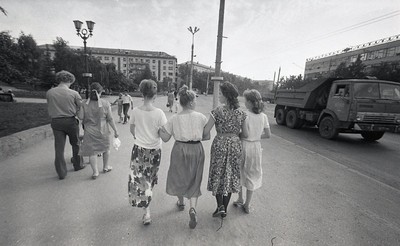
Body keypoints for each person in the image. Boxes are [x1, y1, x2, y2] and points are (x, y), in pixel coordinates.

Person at [159, 85, 208, 229]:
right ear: (192, 102)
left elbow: (166, 138)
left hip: (179, 148)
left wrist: (158, 130)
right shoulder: (201, 117)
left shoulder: (174, 118)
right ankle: (192, 208)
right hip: (197, 148)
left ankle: (181, 202)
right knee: (195, 177)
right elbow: (207, 136)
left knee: (179, 175)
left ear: (180, 102)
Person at [203, 81, 248, 218]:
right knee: (230, 175)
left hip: (220, 144)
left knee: (218, 173)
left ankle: (220, 206)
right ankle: (225, 209)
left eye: (221, 94)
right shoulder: (241, 113)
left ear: (226, 96)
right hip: (235, 145)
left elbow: (206, 131)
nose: (219, 96)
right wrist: (233, 135)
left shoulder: (217, 111)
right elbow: (245, 134)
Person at [128, 79, 167, 225]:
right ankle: (147, 206)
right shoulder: (159, 113)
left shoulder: (135, 111)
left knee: (141, 178)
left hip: (139, 149)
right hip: (155, 150)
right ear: (155, 95)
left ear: (141, 93)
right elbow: (163, 133)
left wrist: (138, 136)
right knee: (150, 179)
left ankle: (146, 210)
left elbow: (132, 129)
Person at [233, 89, 271, 214]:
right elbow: (268, 135)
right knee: (252, 174)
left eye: (245, 101)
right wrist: (256, 137)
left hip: (244, 145)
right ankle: (247, 204)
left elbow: (242, 133)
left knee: (239, 171)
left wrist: (244, 137)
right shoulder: (263, 116)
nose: (244, 103)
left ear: (249, 102)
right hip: (256, 147)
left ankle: (239, 198)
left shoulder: (244, 115)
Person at [46, 70, 85, 180]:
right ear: (70, 80)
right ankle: (78, 165)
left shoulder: (50, 92)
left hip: (56, 121)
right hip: (70, 121)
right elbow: (80, 109)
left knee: (59, 147)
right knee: (76, 144)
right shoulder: (74, 94)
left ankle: (61, 172)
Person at [78, 82, 119, 179]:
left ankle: (95, 172)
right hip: (103, 130)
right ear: (100, 92)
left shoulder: (84, 103)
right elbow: (110, 119)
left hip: (89, 131)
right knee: (106, 149)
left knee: (93, 152)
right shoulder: (105, 103)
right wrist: (116, 131)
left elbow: (80, 117)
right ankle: (105, 167)